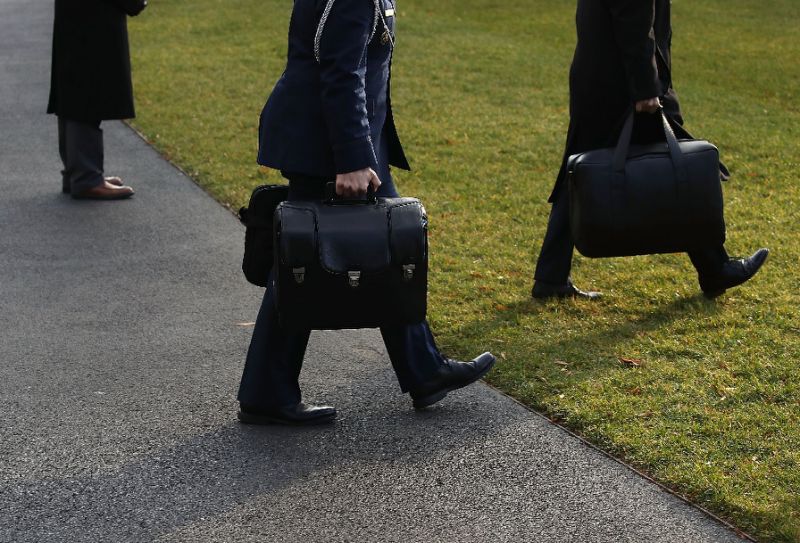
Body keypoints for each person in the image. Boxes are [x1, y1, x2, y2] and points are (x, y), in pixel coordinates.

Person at [237, 0, 496, 426]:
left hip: (344, 140)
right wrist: (354, 157)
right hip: (328, 143)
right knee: (300, 263)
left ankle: (424, 370)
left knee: (380, 254)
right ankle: (267, 390)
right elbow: (341, 71)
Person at [531, 0, 768, 300]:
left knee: (578, 174)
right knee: (680, 164)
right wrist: (645, 89)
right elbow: (634, 20)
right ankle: (715, 267)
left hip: (600, 78)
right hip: (625, 86)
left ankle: (551, 277)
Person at [47, 0, 146, 200]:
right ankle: (86, 178)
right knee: (88, 88)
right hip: (93, 13)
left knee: (75, 85)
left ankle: (77, 173)